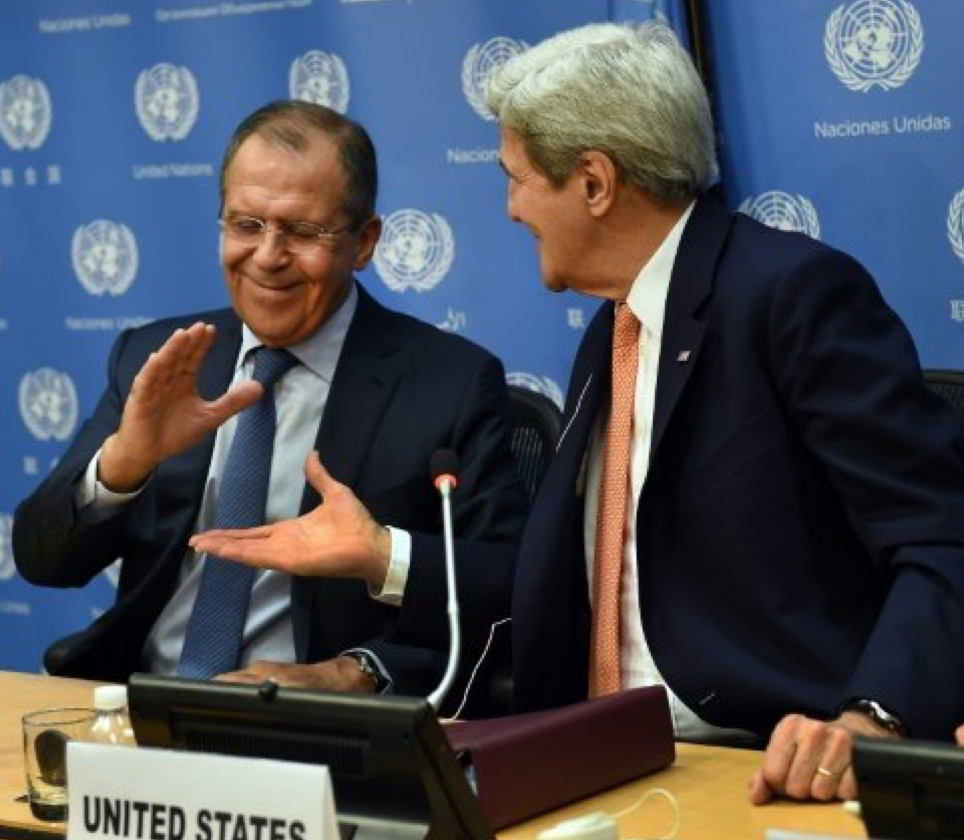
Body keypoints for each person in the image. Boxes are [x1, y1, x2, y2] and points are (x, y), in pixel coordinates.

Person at [482, 20, 964, 803]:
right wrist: (385, 560)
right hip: (591, 762)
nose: (509, 209)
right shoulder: (611, 329)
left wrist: (875, 718)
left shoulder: (792, 296)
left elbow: (942, 536)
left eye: (517, 178)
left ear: (595, 182)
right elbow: (562, 578)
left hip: (761, 764)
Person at [13, 100, 526, 714]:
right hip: (144, 706)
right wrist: (124, 462)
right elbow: (42, 560)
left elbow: (507, 587)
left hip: (318, 727)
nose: (267, 256)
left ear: (364, 242)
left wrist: (353, 665)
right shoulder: (160, 358)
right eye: (246, 224)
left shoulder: (448, 383)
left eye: (303, 232)